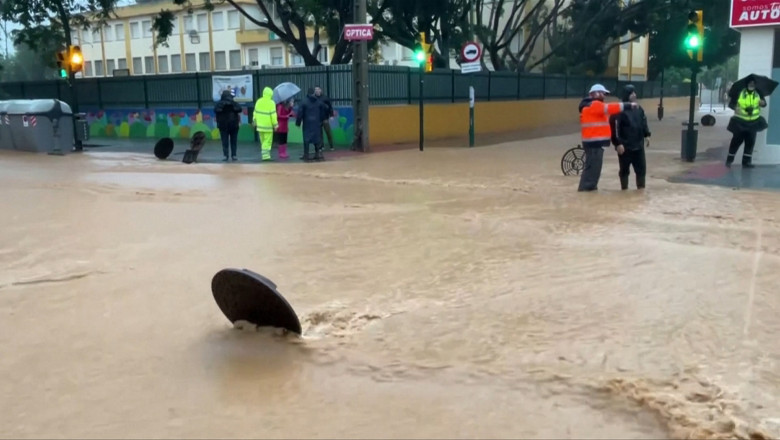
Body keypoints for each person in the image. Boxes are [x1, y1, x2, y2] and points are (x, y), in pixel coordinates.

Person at [578, 84, 637, 192]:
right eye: (603, 93)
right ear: (595, 93)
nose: (604, 96)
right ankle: (586, 190)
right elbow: (611, 108)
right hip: (594, 144)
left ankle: (589, 190)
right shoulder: (593, 105)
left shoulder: (591, 105)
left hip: (595, 144)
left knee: (593, 169)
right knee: (592, 169)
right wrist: (629, 105)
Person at [609, 84, 651, 190]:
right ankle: (624, 189)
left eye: (634, 92)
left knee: (641, 169)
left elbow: (643, 122)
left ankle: (641, 189)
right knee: (624, 170)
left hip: (638, 145)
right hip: (625, 146)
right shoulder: (619, 110)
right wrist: (618, 143)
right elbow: (615, 128)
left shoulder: (638, 109)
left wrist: (647, 135)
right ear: (626, 94)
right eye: (632, 93)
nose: (634, 95)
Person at [726, 78, 768, 168]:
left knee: (750, 142)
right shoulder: (740, 92)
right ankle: (729, 160)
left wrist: (762, 103)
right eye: (750, 83)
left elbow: (764, 103)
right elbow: (731, 104)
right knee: (736, 142)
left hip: (753, 122)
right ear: (747, 84)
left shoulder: (758, 93)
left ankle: (746, 162)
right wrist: (735, 108)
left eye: (753, 83)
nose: (752, 84)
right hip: (740, 122)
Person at [296, 87, 326, 162]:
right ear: (313, 93)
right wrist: (321, 120)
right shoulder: (318, 102)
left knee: (306, 139)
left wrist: (298, 123)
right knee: (317, 139)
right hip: (316, 123)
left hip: (307, 123)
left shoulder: (303, 102)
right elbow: (323, 110)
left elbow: (300, 113)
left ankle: (306, 155)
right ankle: (317, 154)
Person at [214, 89, 243, 161]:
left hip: (223, 125)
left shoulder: (219, 104)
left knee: (224, 141)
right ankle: (234, 155)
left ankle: (225, 155)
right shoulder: (234, 103)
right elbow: (240, 109)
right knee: (234, 141)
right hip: (234, 125)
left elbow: (216, 110)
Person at [252, 87, 278, 162]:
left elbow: (255, 112)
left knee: (263, 141)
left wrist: (254, 120)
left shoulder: (258, 101)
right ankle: (266, 156)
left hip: (260, 126)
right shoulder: (271, 103)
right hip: (268, 126)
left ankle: (265, 154)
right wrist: (275, 124)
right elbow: (273, 115)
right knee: (267, 141)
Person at [314, 85, 335, 151]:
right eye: (315, 90)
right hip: (318, 119)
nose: (317, 91)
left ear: (321, 90)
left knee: (328, 132)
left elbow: (330, 107)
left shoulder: (325, 98)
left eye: (318, 89)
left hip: (325, 118)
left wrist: (331, 116)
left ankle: (331, 146)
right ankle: (321, 146)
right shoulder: (314, 99)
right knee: (319, 134)